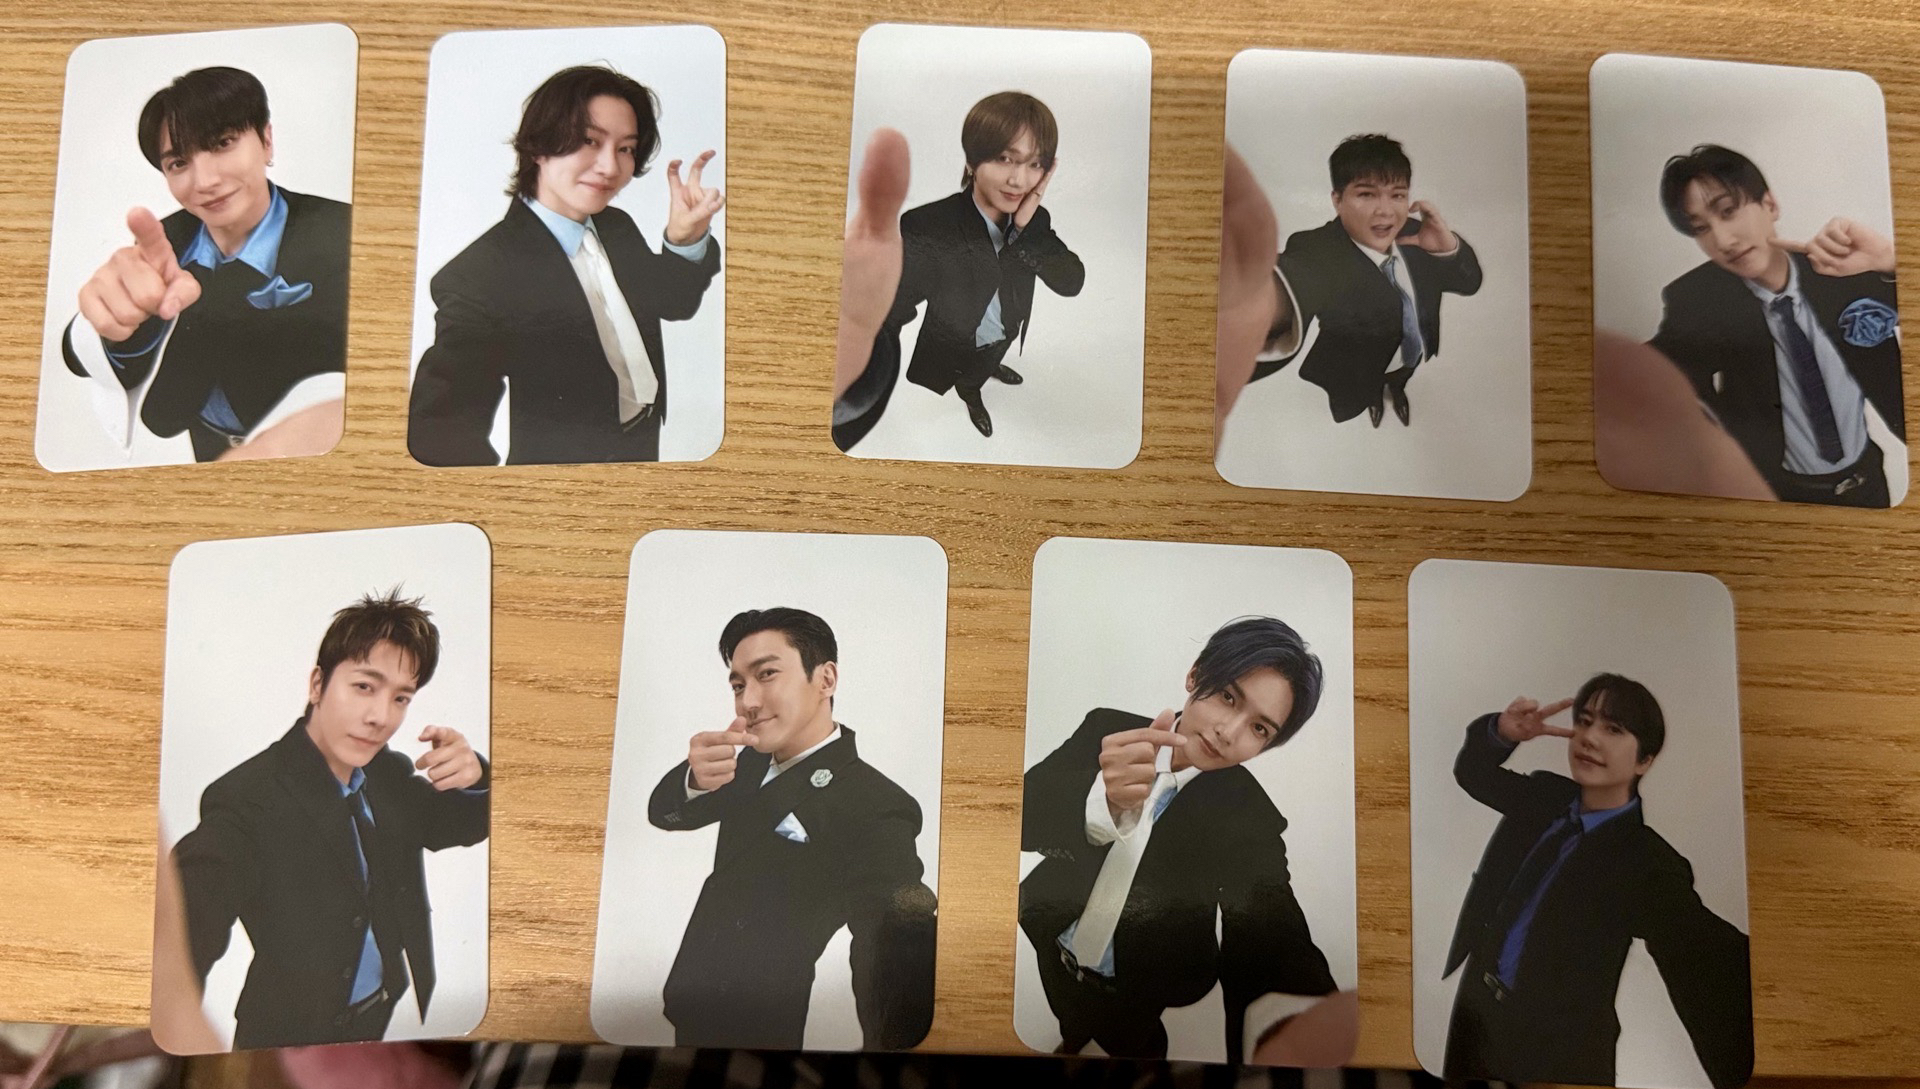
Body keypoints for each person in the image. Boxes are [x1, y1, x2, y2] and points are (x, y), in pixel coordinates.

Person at [1019, 617, 1358, 1064]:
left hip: (1143, 980)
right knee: (1071, 1022)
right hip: (1054, 936)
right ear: (1195, 675)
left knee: (1134, 1045)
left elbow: (1271, 926)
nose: (1228, 732)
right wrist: (1098, 797)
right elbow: (1016, 819)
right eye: (1228, 696)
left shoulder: (1251, 819)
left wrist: (1304, 1022)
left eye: (1259, 729)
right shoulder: (1107, 729)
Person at [169, 590, 491, 1049]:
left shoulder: (387, 774)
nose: (381, 717)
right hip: (288, 1039)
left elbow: (462, 824)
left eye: (401, 698)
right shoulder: (246, 799)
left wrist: (477, 776)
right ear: (318, 684)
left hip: (382, 1013)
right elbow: (181, 940)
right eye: (364, 687)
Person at [1441, 675, 1752, 1088]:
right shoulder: (1543, 795)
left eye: (1613, 729)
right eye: (1585, 722)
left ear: (1645, 760)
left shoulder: (1648, 862)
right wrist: (1502, 731)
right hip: (1475, 1012)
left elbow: (1705, 955)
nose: (1589, 738)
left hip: (1557, 1054)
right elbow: (1473, 771)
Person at [648, 608, 936, 1051]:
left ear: (825, 679)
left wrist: (886, 1052)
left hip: (760, 1023)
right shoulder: (748, 762)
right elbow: (665, 814)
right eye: (738, 685)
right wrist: (694, 780)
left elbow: (893, 946)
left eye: (767, 674)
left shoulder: (877, 804)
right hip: (689, 994)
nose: (748, 702)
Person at [408, 64, 724, 466]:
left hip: (643, 443)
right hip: (564, 473)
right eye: (589, 141)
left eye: (625, 148)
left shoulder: (617, 227)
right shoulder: (480, 274)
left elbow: (673, 302)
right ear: (539, 146)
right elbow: (440, 429)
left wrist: (684, 239)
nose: (610, 167)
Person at [61, 65, 349, 464]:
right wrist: (116, 324)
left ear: (266, 141)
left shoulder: (343, 229)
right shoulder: (166, 240)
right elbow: (85, 356)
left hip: (308, 450)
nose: (204, 181)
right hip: (209, 450)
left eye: (222, 143)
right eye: (179, 163)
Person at [1647, 143, 1903, 507]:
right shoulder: (1700, 302)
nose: (1722, 240)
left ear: (1770, 204)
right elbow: (1651, 375)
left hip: (1870, 483)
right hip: (1774, 495)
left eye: (1728, 211)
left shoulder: (1842, 270)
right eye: (1701, 229)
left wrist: (1892, 261)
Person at [834, 92, 1084, 447]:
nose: (1018, 180)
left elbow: (1071, 282)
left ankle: (989, 369)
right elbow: (888, 314)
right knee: (969, 378)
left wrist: (1025, 230)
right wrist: (854, 376)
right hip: (959, 343)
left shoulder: (1034, 220)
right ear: (971, 160)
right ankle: (971, 396)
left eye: (1034, 164)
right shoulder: (929, 225)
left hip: (1005, 331)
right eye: (1005, 158)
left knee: (990, 358)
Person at [1250, 134, 1482, 428]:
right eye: (1367, 195)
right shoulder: (1316, 249)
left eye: (1397, 195)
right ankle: (1374, 399)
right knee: (1371, 386)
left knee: (1401, 376)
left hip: (1411, 354)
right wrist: (1263, 303)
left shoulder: (1419, 233)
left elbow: (1469, 283)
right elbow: (1299, 277)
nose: (1386, 210)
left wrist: (1447, 249)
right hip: (1360, 367)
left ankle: (1397, 391)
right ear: (1337, 200)